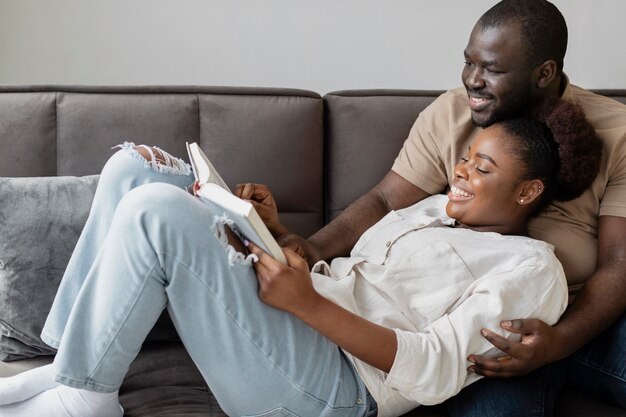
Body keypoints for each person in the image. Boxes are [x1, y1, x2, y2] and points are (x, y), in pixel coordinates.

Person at [0, 97, 601, 415]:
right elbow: (341, 278)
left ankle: (86, 398)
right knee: (134, 166)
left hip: (333, 390)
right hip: (297, 319)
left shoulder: (531, 269)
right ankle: (73, 362)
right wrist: (272, 230)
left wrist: (307, 305)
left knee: (156, 211)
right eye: (465, 157)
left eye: (484, 168)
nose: (463, 173)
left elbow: (435, 367)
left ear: (527, 192)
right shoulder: (434, 209)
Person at [278, 1, 626, 415]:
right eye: (468, 63)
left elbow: (618, 264)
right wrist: (313, 249)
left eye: (492, 69)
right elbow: (387, 199)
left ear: (544, 73)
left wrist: (559, 341)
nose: (473, 81)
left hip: (584, 318)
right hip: (487, 325)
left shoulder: (617, 133)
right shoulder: (451, 112)